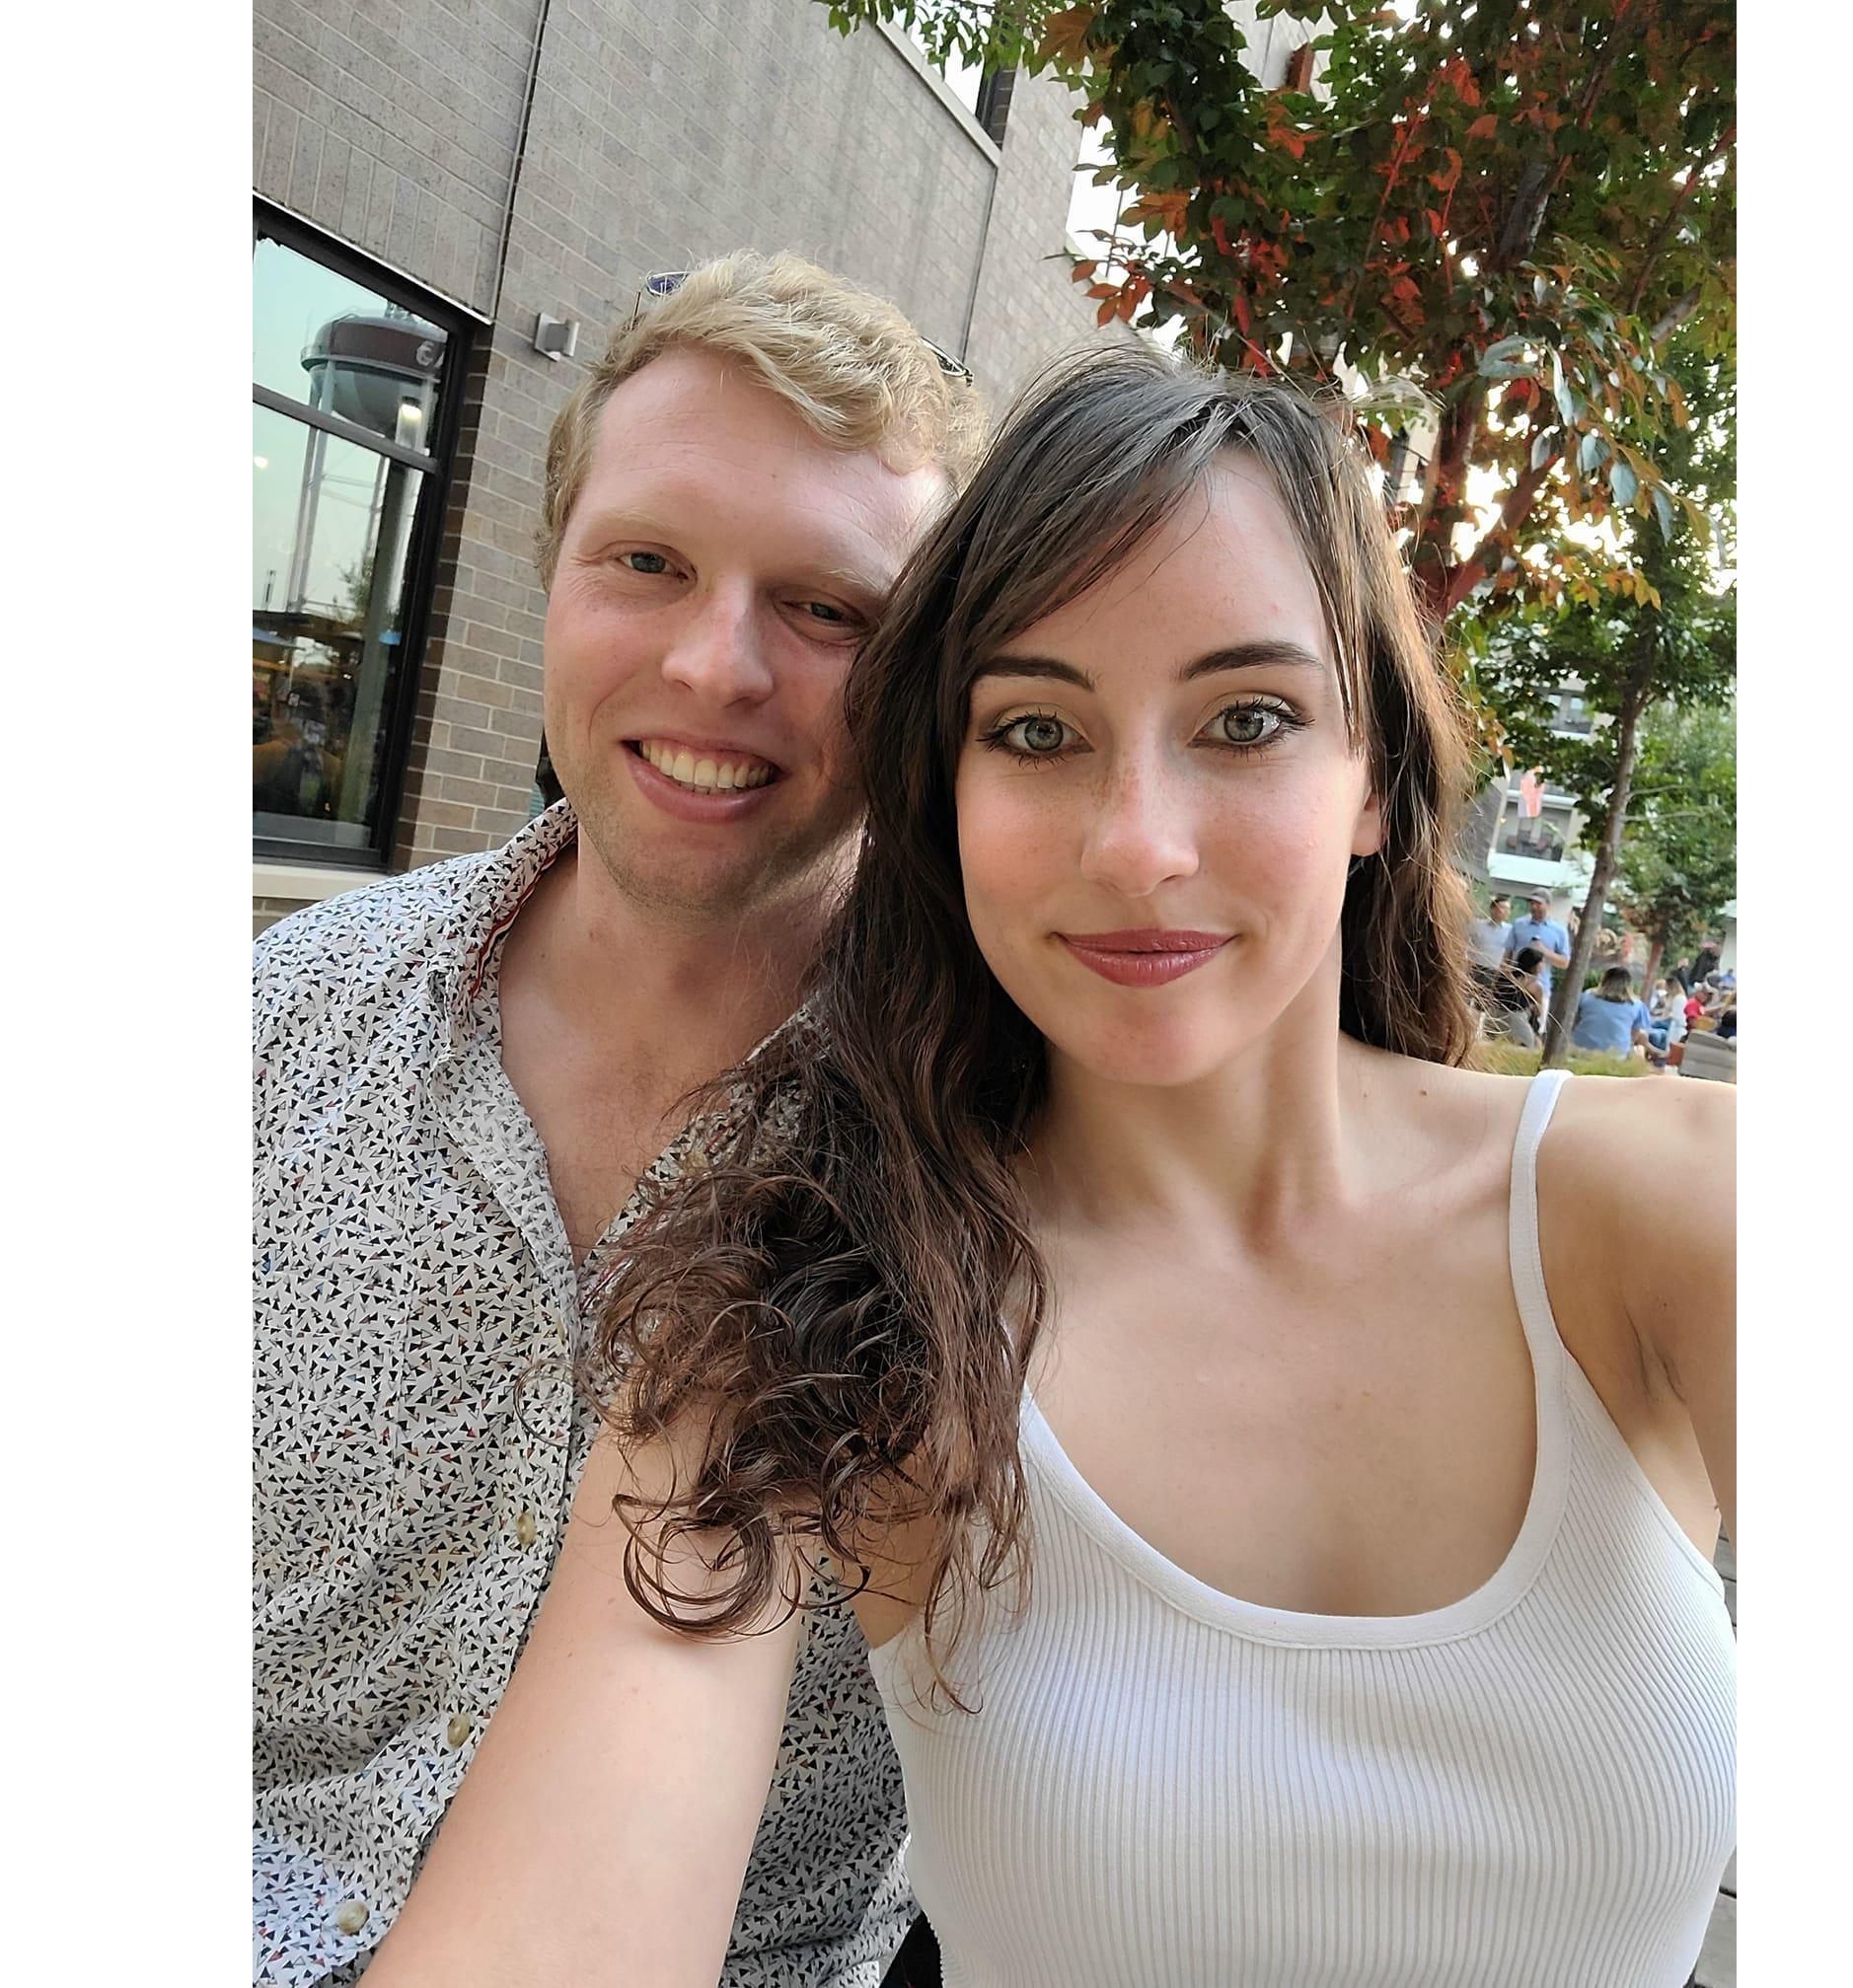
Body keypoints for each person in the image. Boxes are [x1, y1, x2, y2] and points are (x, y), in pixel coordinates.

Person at [369, 350, 1736, 1988]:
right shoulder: (809, 1297)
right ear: (943, 798)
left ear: (1372, 780)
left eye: (1246, 720)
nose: (1139, 844)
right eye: (1037, 729)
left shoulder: (1669, 1215)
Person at [254, 253, 985, 1988]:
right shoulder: (276, 1022)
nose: (715, 661)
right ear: (552, 576)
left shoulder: (1003, 1139)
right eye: (647, 562)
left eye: (828, 612)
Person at [1503, 888, 1572, 1006]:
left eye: (1538, 904)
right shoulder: (1519, 924)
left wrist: (1544, 951)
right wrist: (1503, 978)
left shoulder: (1559, 931)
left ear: (1548, 905)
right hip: (1515, 986)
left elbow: (1564, 963)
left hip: (1541, 988)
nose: (1534, 907)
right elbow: (1507, 955)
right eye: (1532, 903)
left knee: (1535, 1023)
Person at [1569, 965, 1654, 1061]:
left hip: (1580, 1051)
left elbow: (1574, 1022)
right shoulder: (1637, 1005)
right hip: (1616, 1056)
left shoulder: (1587, 997)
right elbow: (1634, 1036)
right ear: (1629, 985)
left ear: (1604, 981)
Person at [1490, 942, 1548, 1048]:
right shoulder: (1535, 985)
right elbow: (1539, 1012)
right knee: (1530, 1046)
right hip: (1517, 1019)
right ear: (1535, 964)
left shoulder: (1506, 975)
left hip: (1495, 1016)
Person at [1463, 891, 1513, 1002]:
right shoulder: (1476, 925)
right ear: (1493, 909)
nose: (1506, 911)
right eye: (1503, 908)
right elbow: (1463, 941)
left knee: (1483, 1004)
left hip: (1493, 971)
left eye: (1508, 909)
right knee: (1465, 1000)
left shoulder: (1510, 930)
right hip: (1473, 968)